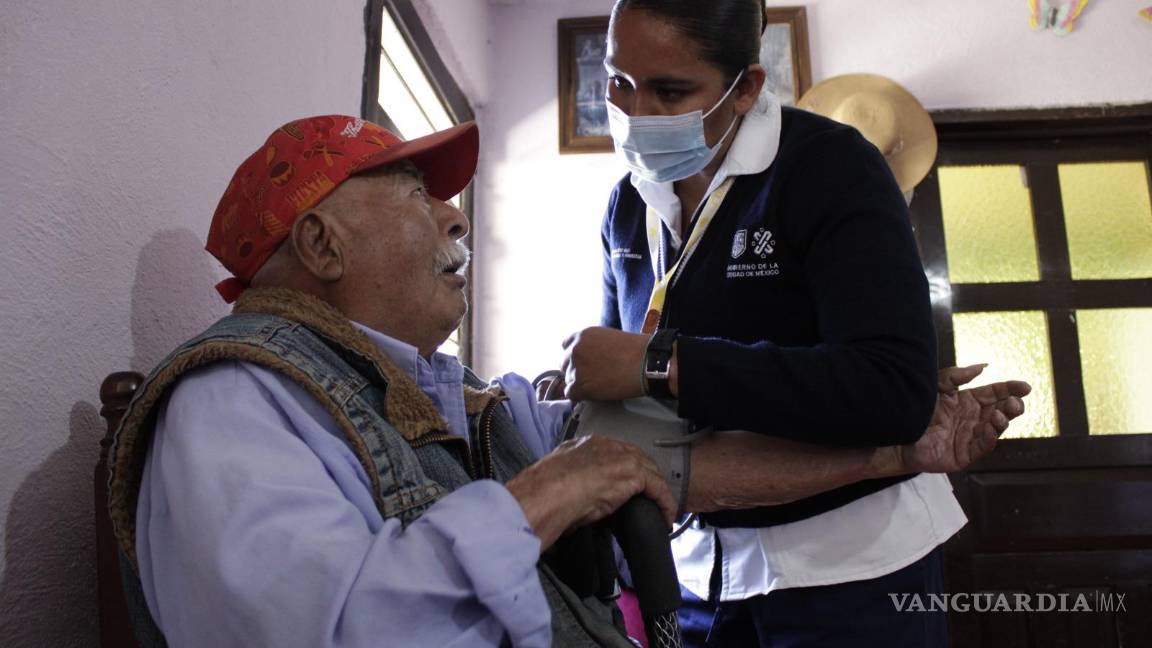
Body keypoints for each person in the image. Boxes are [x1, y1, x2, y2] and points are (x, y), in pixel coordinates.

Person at [106, 115, 1026, 648]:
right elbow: (331, 631)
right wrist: (538, 499)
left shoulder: (464, 398)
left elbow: (683, 467)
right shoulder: (234, 402)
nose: (453, 212)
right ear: (320, 244)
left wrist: (897, 448)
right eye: (412, 192)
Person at [559, 1, 1027, 646]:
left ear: (746, 86)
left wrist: (662, 362)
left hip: (853, 567)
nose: (635, 114)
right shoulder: (627, 204)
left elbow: (890, 391)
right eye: (617, 82)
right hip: (698, 572)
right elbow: (634, 410)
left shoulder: (830, 167)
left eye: (670, 90)